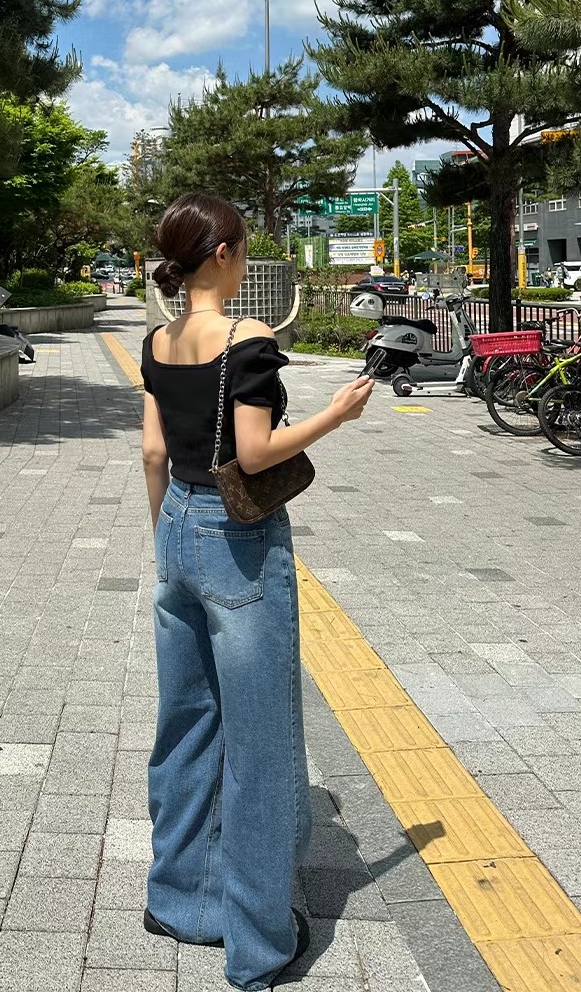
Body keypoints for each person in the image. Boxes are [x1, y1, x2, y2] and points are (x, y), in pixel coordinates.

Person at [140, 193, 374, 992]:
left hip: (175, 525)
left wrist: (167, 541)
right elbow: (254, 449)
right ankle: (259, 943)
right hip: (235, 542)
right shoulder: (248, 339)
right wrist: (336, 415)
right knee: (263, 744)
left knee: (187, 721)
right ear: (223, 255)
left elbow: (152, 452)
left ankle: (178, 900)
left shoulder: (158, 339)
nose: (244, 261)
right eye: (243, 248)